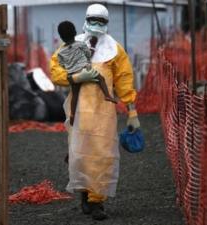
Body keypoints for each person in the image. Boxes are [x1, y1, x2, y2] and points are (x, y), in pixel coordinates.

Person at [50, 3, 140, 221]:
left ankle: (96, 201)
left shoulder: (114, 50)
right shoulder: (72, 45)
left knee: (101, 155)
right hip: (77, 111)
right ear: (86, 20)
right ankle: (84, 193)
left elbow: (124, 80)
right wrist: (74, 78)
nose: (97, 25)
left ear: (107, 23)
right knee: (80, 154)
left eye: (101, 21)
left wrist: (132, 111)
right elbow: (55, 71)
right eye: (93, 20)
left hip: (103, 114)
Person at [56, 20, 117, 126]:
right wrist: (92, 45)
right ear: (75, 32)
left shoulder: (61, 52)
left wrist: (70, 67)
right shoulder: (80, 44)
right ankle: (107, 95)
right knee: (100, 79)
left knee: (74, 95)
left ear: (61, 37)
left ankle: (72, 115)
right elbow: (89, 55)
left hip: (73, 75)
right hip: (85, 70)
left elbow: (61, 64)